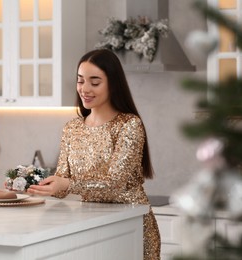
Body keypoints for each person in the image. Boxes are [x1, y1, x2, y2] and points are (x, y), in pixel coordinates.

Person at [27, 49, 161, 260]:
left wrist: (67, 185)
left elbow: (115, 185)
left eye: (95, 82)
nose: (85, 89)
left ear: (113, 84)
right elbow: (62, 185)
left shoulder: (129, 125)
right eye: (80, 81)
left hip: (130, 226)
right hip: (91, 225)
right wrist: (33, 184)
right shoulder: (71, 128)